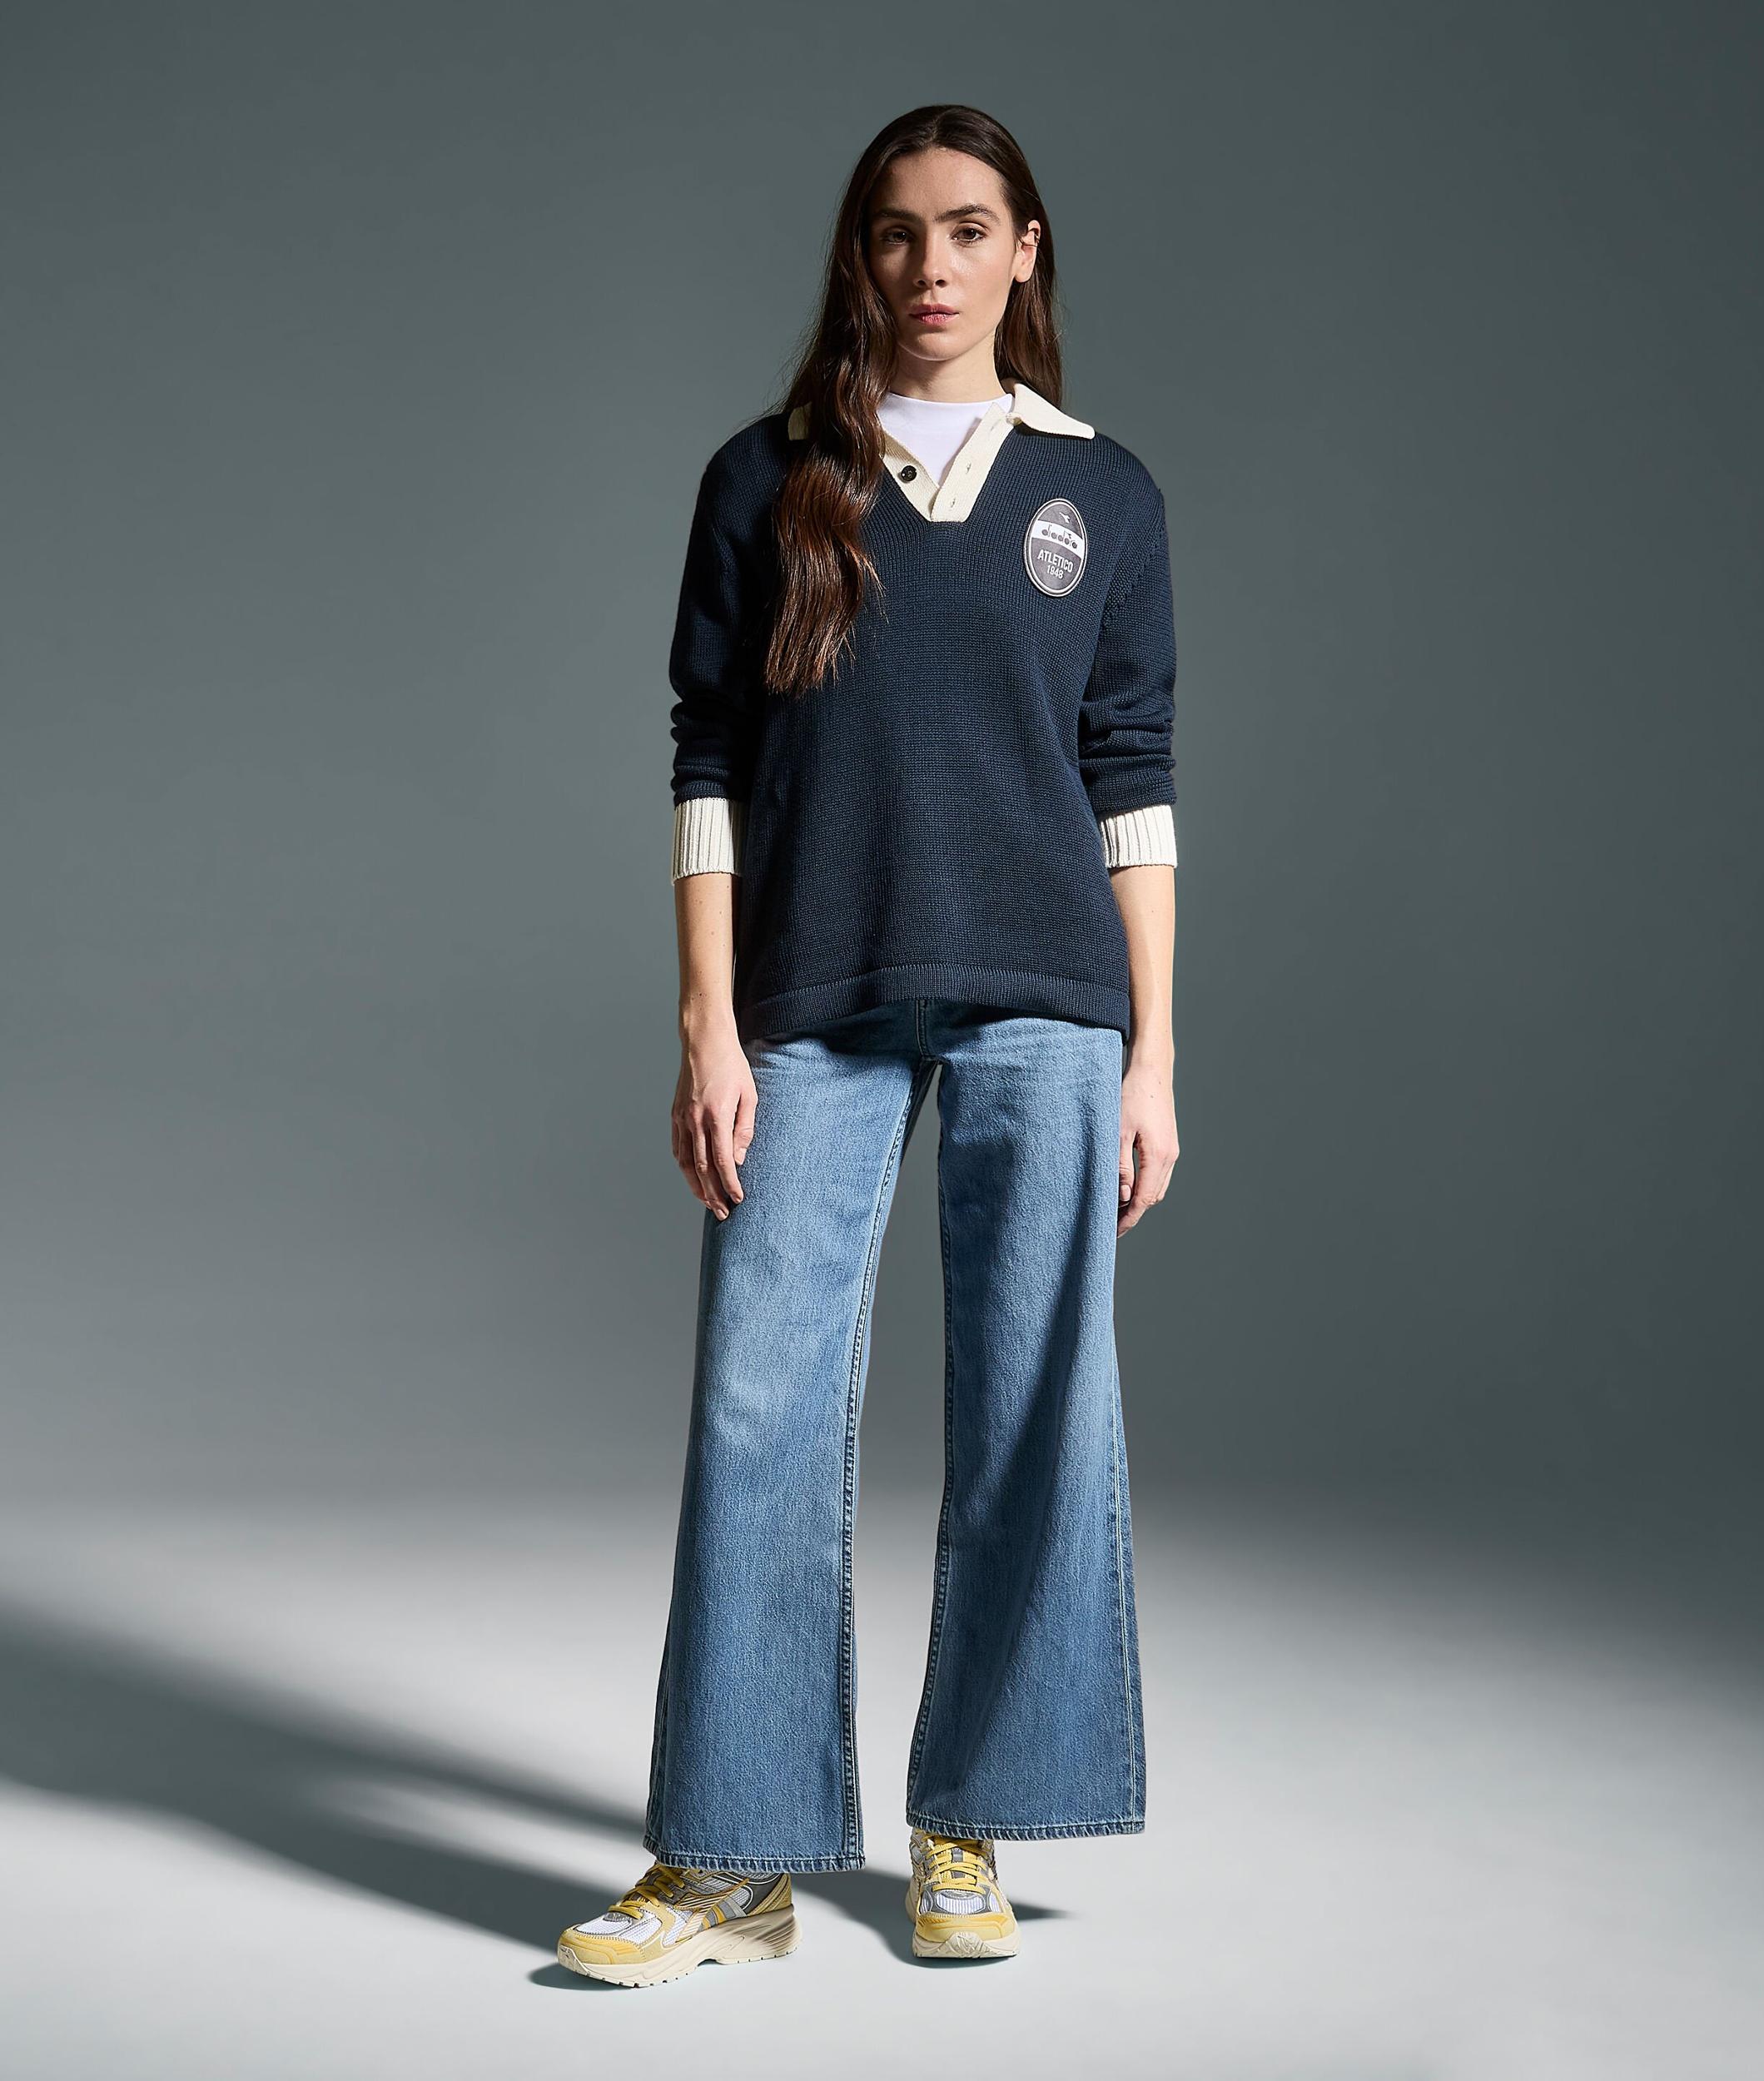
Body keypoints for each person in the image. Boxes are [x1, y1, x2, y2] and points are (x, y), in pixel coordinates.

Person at [557, 102, 1180, 1989]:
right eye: (898, 232)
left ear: (1025, 250)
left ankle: (965, 1816)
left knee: (1036, 1406)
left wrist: (1155, 1054)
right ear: (861, 253)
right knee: (758, 1407)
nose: (930, 267)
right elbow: (708, 756)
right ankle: (730, 1854)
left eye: (968, 229)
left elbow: (1132, 780)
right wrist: (705, 1021)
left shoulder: (1103, 493)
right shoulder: (766, 477)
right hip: (807, 996)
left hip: (1049, 994)